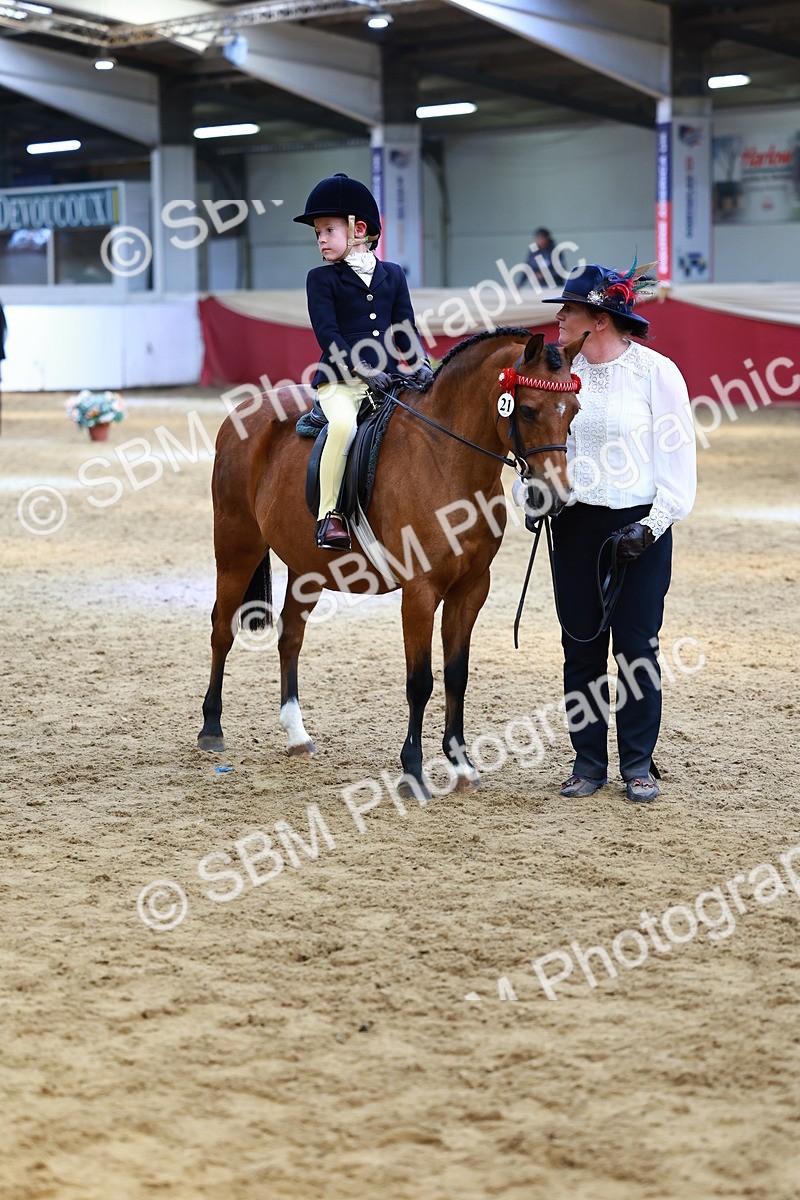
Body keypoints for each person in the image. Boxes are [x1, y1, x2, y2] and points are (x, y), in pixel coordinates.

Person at [538, 260, 697, 803]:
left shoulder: (657, 373)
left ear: (599, 319)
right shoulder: (556, 371)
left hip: (640, 528)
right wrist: (534, 498)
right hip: (575, 525)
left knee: (636, 649)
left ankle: (638, 762)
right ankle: (587, 762)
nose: (559, 318)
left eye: (569, 309)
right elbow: (536, 452)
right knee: (580, 648)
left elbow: (678, 458)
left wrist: (652, 527)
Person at [293, 172, 432, 551]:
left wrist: (419, 363)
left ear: (359, 229)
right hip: (340, 382)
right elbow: (328, 334)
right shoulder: (321, 279)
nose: (320, 239)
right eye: (317, 233)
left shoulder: (392, 275)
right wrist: (364, 370)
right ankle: (330, 516)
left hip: (388, 381)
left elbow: (404, 326)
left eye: (327, 230)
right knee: (343, 429)